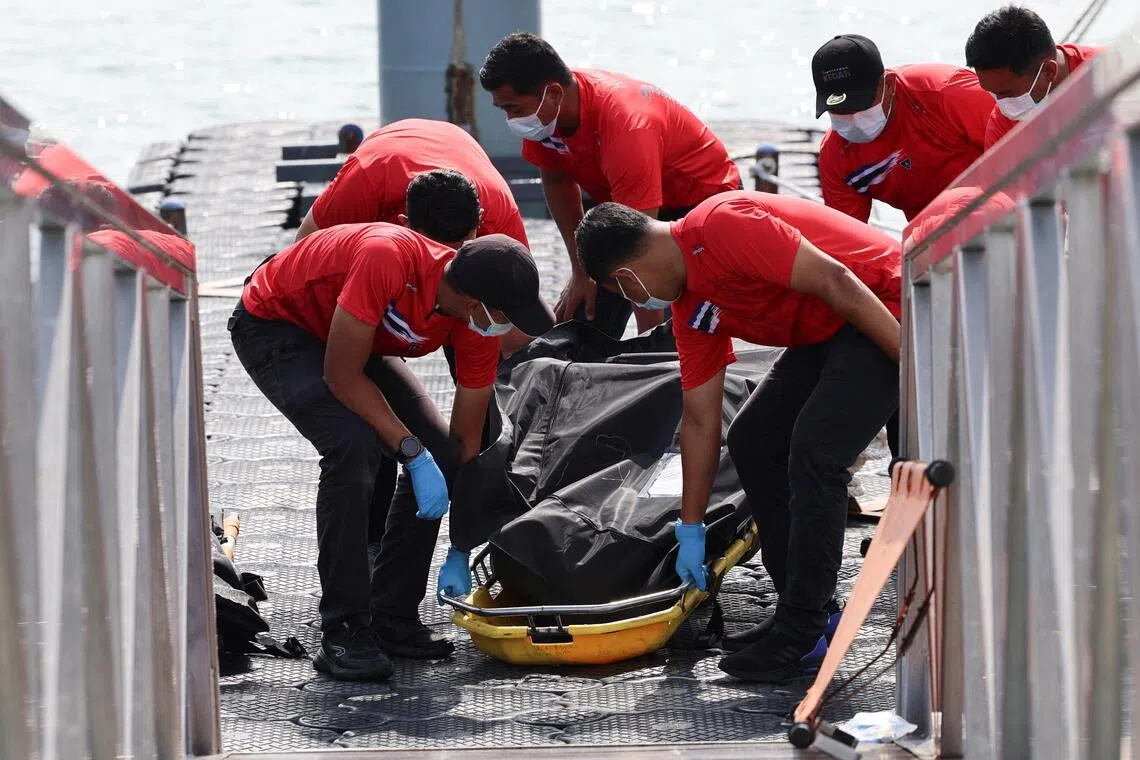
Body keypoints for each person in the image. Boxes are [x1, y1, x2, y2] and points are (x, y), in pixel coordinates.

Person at [229, 170, 554, 681]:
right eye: (505, 315)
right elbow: (340, 376)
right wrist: (407, 449)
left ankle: (394, 614)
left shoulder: (474, 324)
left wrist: (461, 545)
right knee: (354, 447)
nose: (505, 329)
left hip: (350, 339)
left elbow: (467, 442)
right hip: (278, 325)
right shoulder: (389, 257)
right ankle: (345, 628)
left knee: (443, 455)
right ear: (476, 302)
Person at [574, 191, 902, 683]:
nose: (638, 303)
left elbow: (837, 278)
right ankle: (810, 611)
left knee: (816, 452)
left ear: (625, 279)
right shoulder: (688, 309)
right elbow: (701, 420)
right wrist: (690, 529)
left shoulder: (721, 227)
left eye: (626, 295)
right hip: (828, 328)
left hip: (885, 304)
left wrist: (915, 363)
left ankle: (801, 627)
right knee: (753, 437)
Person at [479, 32, 741, 340]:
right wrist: (581, 270)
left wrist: (652, 342)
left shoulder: (626, 126)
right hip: (628, 204)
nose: (512, 120)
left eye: (515, 109)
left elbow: (639, 247)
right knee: (581, 319)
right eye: (504, 110)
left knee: (673, 333)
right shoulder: (544, 117)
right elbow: (557, 178)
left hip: (700, 208)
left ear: (553, 93)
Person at [813, 34, 995, 223]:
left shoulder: (947, 93)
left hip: (999, 205)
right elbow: (849, 239)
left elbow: (1023, 146)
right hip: (930, 237)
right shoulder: (835, 156)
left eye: (861, 104)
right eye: (838, 110)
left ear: (889, 85)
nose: (852, 118)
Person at [295, 118, 529, 248]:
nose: (444, 262)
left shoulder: (499, 214)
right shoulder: (367, 180)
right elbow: (303, 247)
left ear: (480, 218)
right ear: (405, 224)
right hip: (388, 151)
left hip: (454, 144)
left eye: (458, 252)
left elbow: (521, 301)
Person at [965, 5, 1103, 149]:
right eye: (993, 93)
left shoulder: (1113, 74)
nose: (1001, 104)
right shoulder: (1002, 131)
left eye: (1007, 94)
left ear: (1049, 71)